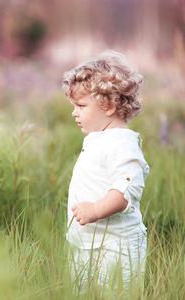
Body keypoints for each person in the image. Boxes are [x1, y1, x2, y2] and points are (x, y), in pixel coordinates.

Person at [62, 50, 149, 290]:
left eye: (81, 105)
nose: (74, 112)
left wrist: (94, 210)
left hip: (116, 248)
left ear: (109, 105)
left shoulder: (121, 144)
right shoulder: (101, 138)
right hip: (90, 242)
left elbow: (124, 192)